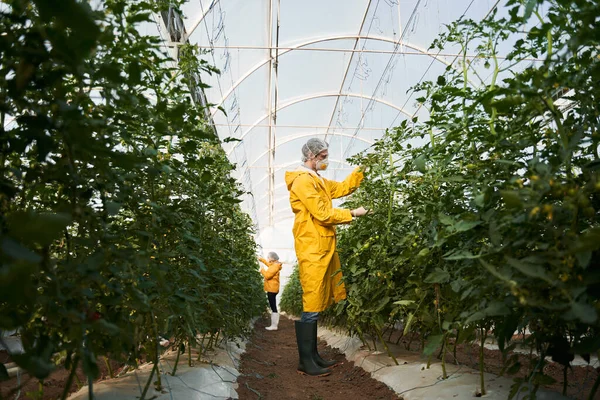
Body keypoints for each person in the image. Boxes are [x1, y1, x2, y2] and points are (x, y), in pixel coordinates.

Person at [284, 138, 368, 377]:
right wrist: (352, 213)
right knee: (312, 300)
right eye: (321, 156)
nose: (325, 160)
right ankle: (305, 361)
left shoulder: (317, 180)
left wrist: (362, 169)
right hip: (311, 245)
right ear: (310, 156)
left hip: (322, 244)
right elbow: (321, 213)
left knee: (318, 299)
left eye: (325, 155)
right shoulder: (302, 181)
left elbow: (342, 188)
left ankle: (313, 356)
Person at [258, 251, 283, 331]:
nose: (267, 259)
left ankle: (274, 325)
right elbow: (269, 265)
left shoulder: (275, 266)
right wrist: (261, 259)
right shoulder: (275, 265)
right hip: (272, 288)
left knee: (273, 306)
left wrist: (261, 270)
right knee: (273, 306)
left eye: (268, 258)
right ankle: (273, 325)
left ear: (272, 258)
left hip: (272, 289)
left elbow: (267, 275)